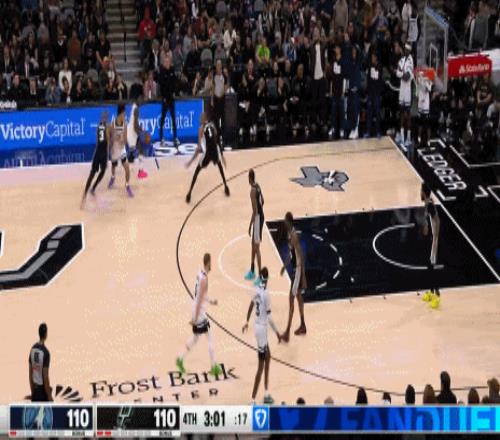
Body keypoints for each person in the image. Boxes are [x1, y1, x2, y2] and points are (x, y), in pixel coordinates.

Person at [176, 253, 222, 377]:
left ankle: (180, 358)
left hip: (196, 308)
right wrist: (195, 318)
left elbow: (202, 295)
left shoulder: (200, 274)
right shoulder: (205, 280)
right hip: (199, 312)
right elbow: (201, 299)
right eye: (211, 262)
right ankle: (214, 366)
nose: (211, 265)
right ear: (208, 263)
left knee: (195, 338)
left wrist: (211, 302)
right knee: (210, 337)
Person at [242, 267, 281, 404]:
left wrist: (246, 321)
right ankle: (252, 400)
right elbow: (269, 318)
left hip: (257, 326)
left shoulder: (256, 289)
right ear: (268, 279)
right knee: (260, 367)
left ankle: (266, 393)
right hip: (262, 330)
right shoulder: (266, 294)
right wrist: (278, 333)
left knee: (268, 357)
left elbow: (251, 305)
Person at [185, 111, 230, 203]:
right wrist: (221, 155)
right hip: (214, 150)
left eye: (200, 118)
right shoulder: (212, 125)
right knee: (219, 166)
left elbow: (198, 148)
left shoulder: (201, 129)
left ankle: (189, 193)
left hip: (208, 152)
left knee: (197, 171)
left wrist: (190, 162)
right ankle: (226, 187)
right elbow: (216, 140)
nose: (199, 119)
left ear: (203, 119)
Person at [280, 212, 307, 342]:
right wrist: (284, 266)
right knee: (299, 297)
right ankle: (303, 325)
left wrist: (303, 277)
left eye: (285, 221)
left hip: (298, 270)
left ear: (289, 222)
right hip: (295, 269)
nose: (284, 223)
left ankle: (287, 332)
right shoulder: (289, 233)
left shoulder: (294, 236)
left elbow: (300, 255)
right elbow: (292, 254)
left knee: (291, 298)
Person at [81, 111, 110, 208]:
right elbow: (108, 142)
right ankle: (93, 188)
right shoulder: (107, 127)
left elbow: (98, 141)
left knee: (92, 173)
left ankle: (85, 194)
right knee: (102, 171)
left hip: (97, 151)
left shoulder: (98, 126)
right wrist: (107, 156)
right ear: (106, 118)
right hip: (103, 152)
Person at [108, 103, 134, 197]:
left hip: (122, 149)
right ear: (121, 113)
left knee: (127, 168)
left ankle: (127, 185)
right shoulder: (113, 124)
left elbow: (125, 140)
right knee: (113, 165)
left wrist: (122, 140)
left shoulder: (125, 124)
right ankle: (113, 177)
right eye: (124, 113)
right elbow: (109, 137)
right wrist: (114, 139)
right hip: (114, 150)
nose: (125, 115)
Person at [245, 169, 265, 284]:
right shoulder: (258, 186)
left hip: (258, 218)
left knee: (256, 248)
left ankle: (261, 276)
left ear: (249, 178)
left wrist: (250, 225)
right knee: (253, 245)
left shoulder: (252, 191)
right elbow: (263, 201)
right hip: (261, 217)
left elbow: (255, 211)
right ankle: (252, 270)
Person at [158, 54, 179, 147]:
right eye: (165, 62)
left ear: (170, 62)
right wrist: (164, 97)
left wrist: (174, 92)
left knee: (173, 118)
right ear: (163, 63)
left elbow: (175, 82)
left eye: (168, 62)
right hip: (165, 99)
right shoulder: (162, 72)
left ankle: (175, 137)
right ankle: (161, 138)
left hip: (171, 98)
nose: (167, 63)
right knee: (163, 118)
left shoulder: (172, 71)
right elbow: (162, 85)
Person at [29, 323, 52, 402]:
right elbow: (45, 377)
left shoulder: (32, 349)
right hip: (42, 393)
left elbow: (30, 373)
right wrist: (49, 397)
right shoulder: (45, 352)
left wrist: (33, 392)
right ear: (46, 334)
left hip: (35, 391)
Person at [396, 43, 414, 147]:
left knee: (408, 114)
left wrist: (401, 73)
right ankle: (402, 136)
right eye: (405, 49)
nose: (406, 50)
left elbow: (407, 77)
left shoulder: (411, 61)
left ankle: (408, 137)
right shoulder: (402, 60)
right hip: (402, 90)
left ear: (410, 51)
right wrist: (402, 73)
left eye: (407, 49)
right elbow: (397, 73)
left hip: (407, 91)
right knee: (401, 113)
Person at [127, 102, 148, 179]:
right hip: (132, 134)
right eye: (143, 98)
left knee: (137, 152)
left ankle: (138, 171)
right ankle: (138, 172)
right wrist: (141, 133)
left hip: (131, 133)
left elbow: (135, 124)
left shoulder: (134, 107)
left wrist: (140, 129)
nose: (144, 100)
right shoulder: (136, 109)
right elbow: (135, 126)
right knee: (137, 152)